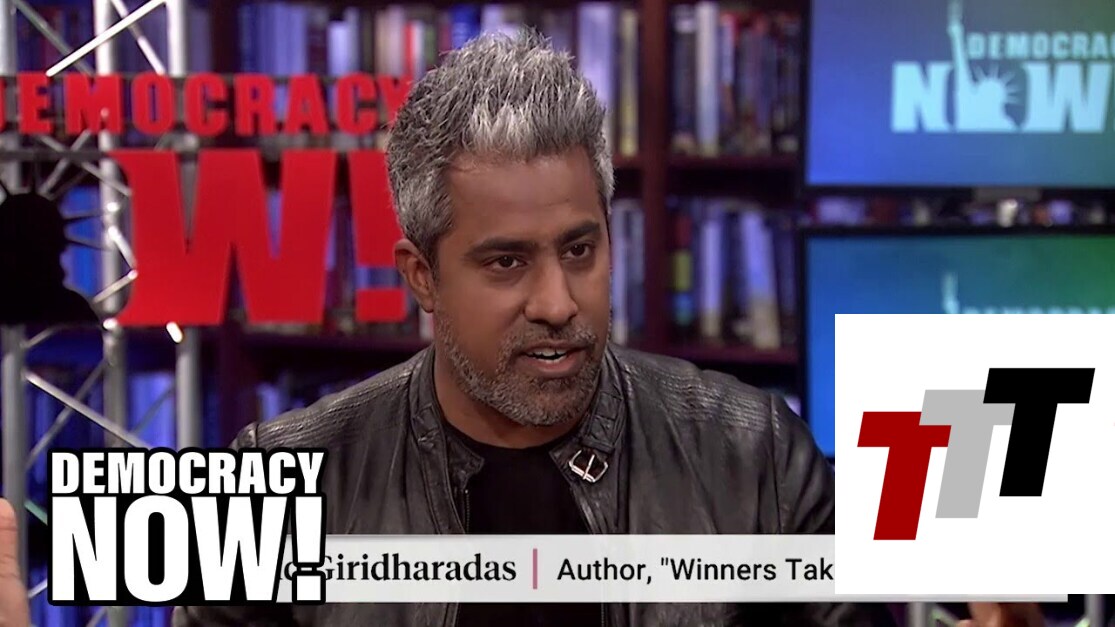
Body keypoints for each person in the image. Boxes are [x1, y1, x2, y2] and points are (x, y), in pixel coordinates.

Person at [0, 31, 1045, 627]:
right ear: (420, 275)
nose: (558, 300)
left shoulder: (752, 456)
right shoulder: (280, 480)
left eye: (580, 249)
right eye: (506, 262)